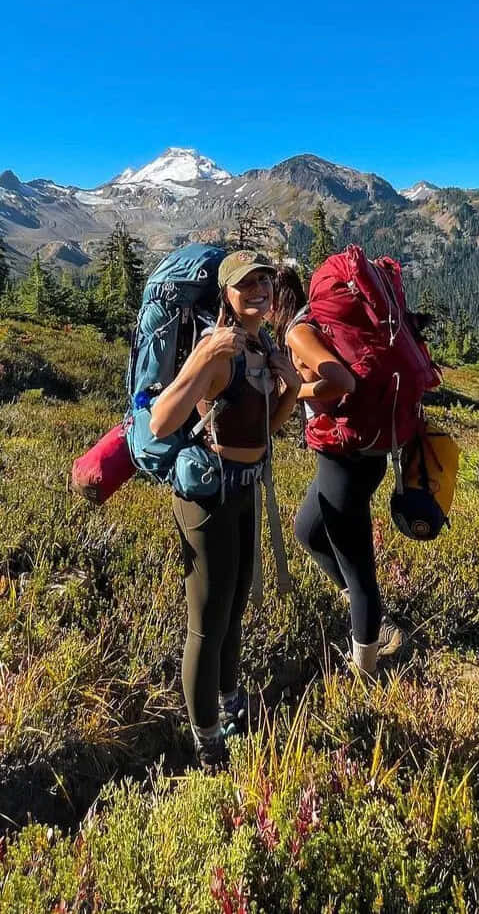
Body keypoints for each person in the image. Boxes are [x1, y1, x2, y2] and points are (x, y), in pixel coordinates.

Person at [148, 250, 302, 768]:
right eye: (246, 284)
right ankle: (207, 737)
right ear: (226, 294)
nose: (258, 290)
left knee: (235, 605)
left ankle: (231, 701)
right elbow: (160, 422)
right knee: (207, 621)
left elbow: (264, 431)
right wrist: (197, 361)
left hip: (245, 490)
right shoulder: (217, 352)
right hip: (208, 499)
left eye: (264, 281)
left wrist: (293, 388)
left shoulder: (262, 344)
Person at [273, 264, 404, 678]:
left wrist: (293, 391)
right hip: (363, 453)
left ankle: (364, 668)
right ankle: (367, 615)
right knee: (307, 530)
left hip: (344, 459)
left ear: (279, 302)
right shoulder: (318, 319)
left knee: (357, 563)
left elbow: (341, 382)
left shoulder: (299, 331)